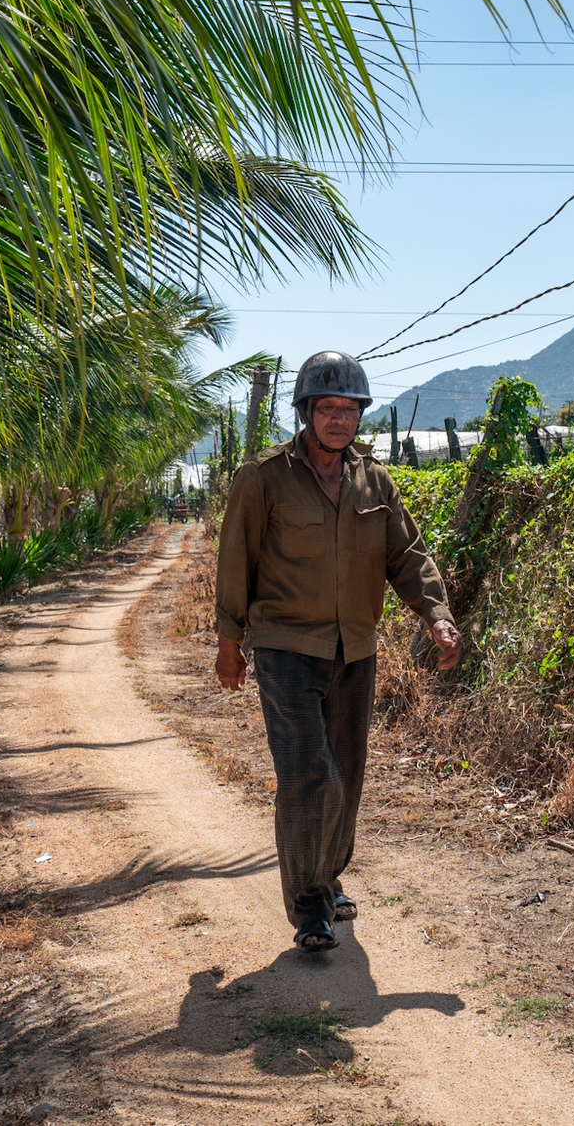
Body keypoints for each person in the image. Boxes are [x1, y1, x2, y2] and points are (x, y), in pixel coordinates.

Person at [215, 350, 461, 953]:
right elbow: (235, 561)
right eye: (327, 408)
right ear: (305, 412)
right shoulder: (263, 477)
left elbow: (406, 557)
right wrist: (229, 642)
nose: (339, 420)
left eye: (349, 410)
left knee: (346, 777)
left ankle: (326, 876)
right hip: (284, 648)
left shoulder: (375, 481)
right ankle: (309, 909)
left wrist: (437, 615)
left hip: (356, 649)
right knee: (309, 774)